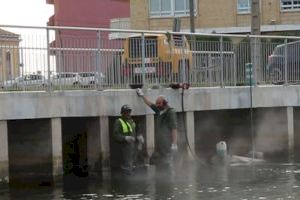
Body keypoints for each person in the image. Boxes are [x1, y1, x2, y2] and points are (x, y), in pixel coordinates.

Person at [136, 89, 178, 168]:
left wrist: (174, 144)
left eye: (159, 103)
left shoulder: (170, 113)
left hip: (167, 144)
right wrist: (142, 95)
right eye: (156, 103)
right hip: (159, 144)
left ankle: (167, 175)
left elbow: (174, 128)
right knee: (156, 161)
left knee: (166, 163)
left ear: (165, 103)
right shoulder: (159, 110)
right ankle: (159, 175)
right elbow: (150, 104)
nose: (157, 105)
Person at [113, 104, 144, 175]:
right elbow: (115, 135)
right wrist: (125, 138)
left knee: (133, 164)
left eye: (129, 112)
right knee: (126, 168)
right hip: (123, 148)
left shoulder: (132, 121)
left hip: (132, 148)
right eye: (125, 112)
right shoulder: (118, 121)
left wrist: (139, 136)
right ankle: (126, 179)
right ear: (122, 113)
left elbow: (136, 131)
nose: (127, 113)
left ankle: (131, 176)